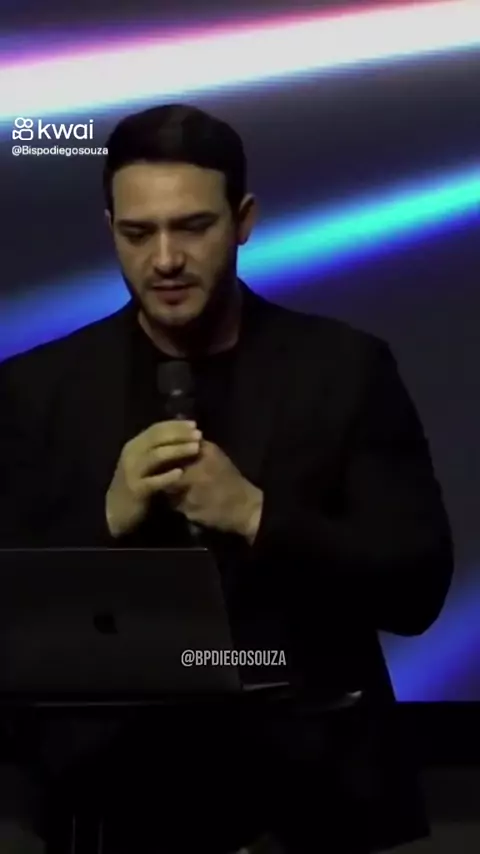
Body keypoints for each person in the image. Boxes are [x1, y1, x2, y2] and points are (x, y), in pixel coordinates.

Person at [0, 103, 454, 853]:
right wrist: (103, 522)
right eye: (137, 233)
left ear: (243, 220)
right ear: (110, 228)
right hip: (109, 801)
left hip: (314, 800)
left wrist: (255, 515)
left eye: (193, 227)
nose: (165, 259)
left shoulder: (344, 370)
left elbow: (417, 589)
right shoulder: (36, 390)